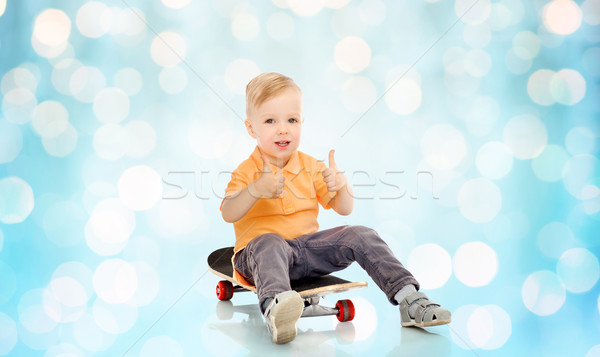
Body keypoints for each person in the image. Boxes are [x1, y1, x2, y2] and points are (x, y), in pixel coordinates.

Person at [220, 72, 451, 344]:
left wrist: (341, 185)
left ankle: (410, 300)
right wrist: (255, 189)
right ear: (251, 128)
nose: (283, 129)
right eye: (270, 121)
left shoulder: (311, 166)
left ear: (302, 122)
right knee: (270, 242)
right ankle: (276, 309)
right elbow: (228, 212)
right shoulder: (247, 171)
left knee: (361, 233)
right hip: (259, 257)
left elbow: (345, 208)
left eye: (291, 120)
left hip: (306, 252)